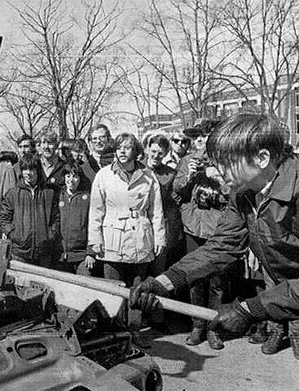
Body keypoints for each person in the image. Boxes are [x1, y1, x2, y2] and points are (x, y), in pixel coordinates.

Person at [130, 113, 299, 391]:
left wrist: (248, 309)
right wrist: (162, 282)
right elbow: (221, 247)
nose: (215, 174)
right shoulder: (245, 193)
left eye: (224, 164)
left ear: (262, 158)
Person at [88, 133, 165, 341]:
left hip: (140, 238)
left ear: (136, 151)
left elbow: (156, 210)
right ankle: (115, 333)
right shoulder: (104, 175)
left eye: (128, 147)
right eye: (119, 147)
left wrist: (159, 238)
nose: (122, 151)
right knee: (113, 290)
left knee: (137, 289)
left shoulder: (148, 176)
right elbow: (96, 210)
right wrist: (95, 240)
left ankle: (134, 332)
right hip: (112, 239)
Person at [172, 118, 229, 349]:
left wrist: (219, 180)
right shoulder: (187, 161)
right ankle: (197, 326)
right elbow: (177, 192)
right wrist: (189, 176)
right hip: (194, 226)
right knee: (195, 277)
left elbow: (235, 193)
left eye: (205, 136)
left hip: (218, 228)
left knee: (217, 280)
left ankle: (214, 328)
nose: (200, 141)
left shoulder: (227, 161)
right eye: (196, 137)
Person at [0, 154, 60, 267]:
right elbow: (4, 218)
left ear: (37, 170)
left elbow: (56, 217)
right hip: (19, 252)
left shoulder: (49, 192)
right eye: (25, 169)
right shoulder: (13, 194)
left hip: (43, 252)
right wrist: (13, 234)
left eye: (31, 169)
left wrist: (50, 235)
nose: (28, 173)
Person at [145, 134, 183, 275]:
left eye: (160, 153)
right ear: (147, 149)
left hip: (161, 227)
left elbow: (175, 201)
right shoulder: (137, 170)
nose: (155, 156)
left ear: (166, 154)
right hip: (140, 226)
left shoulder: (170, 174)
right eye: (153, 151)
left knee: (158, 270)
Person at [56, 159, 92, 273]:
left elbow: (93, 226)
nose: (71, 180)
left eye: (75, 176)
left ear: (80, 179)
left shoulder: (87, 199)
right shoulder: (57, 197)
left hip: (82, 255)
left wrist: (90, 253)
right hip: (60, 255)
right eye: (68, 176)